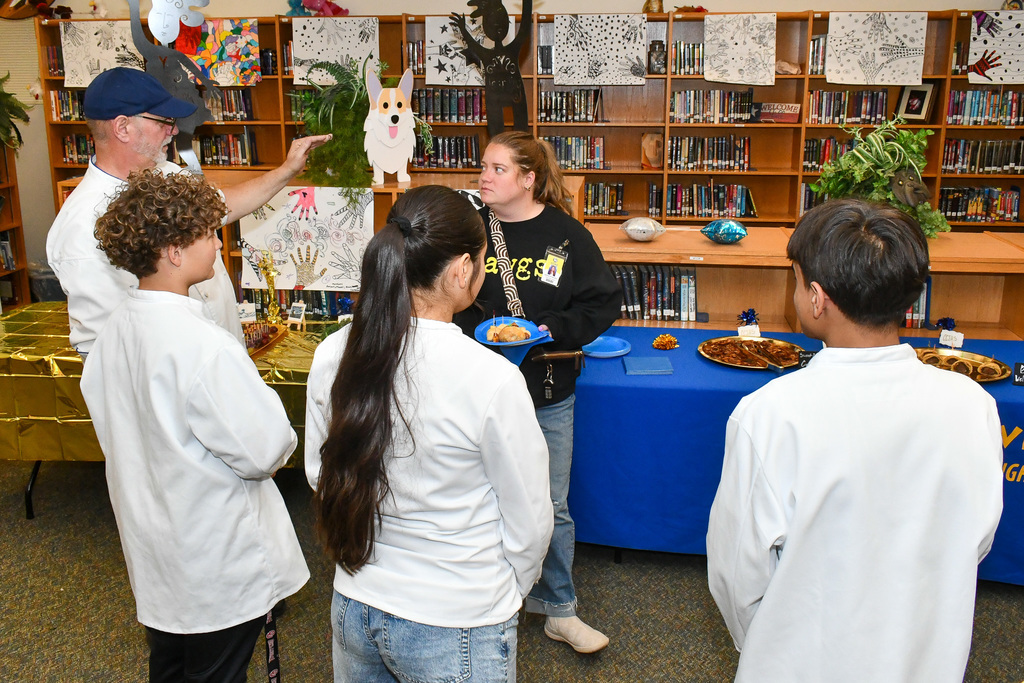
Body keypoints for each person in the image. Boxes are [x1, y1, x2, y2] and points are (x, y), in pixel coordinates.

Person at [706, 199, 1003, 682]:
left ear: (817, 298)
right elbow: (977, 536)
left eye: (798, 280)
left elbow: (737, 573)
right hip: (926, 657)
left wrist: (765, 643)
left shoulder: (771, 414)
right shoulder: (973, 404)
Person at [304, 185, 553, 682]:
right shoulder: (492, 377)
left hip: (356, 601)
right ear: (463, 270)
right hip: (456, 617)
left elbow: (320, 473)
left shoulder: (334, 351)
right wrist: (506, 591)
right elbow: (529, 519)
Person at [80, 169, 309, 682]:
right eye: (208, 232)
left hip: (155, 546)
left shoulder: (115, 330)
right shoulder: (201, 345)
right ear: (174, 252)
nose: (217, 242)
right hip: (214, 560)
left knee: (171, 666)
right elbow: (266, 448)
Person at [454, 131, 622, 653]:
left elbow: (600, 305)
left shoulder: (567, 235)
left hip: (546, 390)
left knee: (551, 502)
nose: (484, 177)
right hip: (475, 391)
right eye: (484, 167)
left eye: (498, 169)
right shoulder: (466, 231)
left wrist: (549, 328)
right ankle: (482, 601)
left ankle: (558, 609)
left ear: (528, 179)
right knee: (474, 498)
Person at [45, 67, 330, 355]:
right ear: (122, 127)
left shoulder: (167, 173)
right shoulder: (83, 224)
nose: (174, 130)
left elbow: (222, 206)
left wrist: (287, 170)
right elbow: (107, 350)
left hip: (218, 359)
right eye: (164, 121)